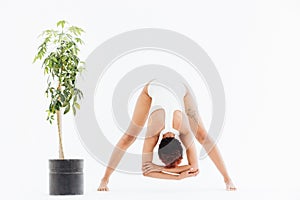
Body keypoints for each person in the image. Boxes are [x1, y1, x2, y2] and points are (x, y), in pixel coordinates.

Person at [98, 80, 236, 191]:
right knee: (128, 137)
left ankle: (227, 178)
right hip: (152, 87)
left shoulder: (184, 129)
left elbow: (193, 167)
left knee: (202, 135)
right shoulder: (154, 132)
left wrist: (159, 169)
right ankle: (105, 178)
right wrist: (176, 177)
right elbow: (147, 171)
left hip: (181, 88)